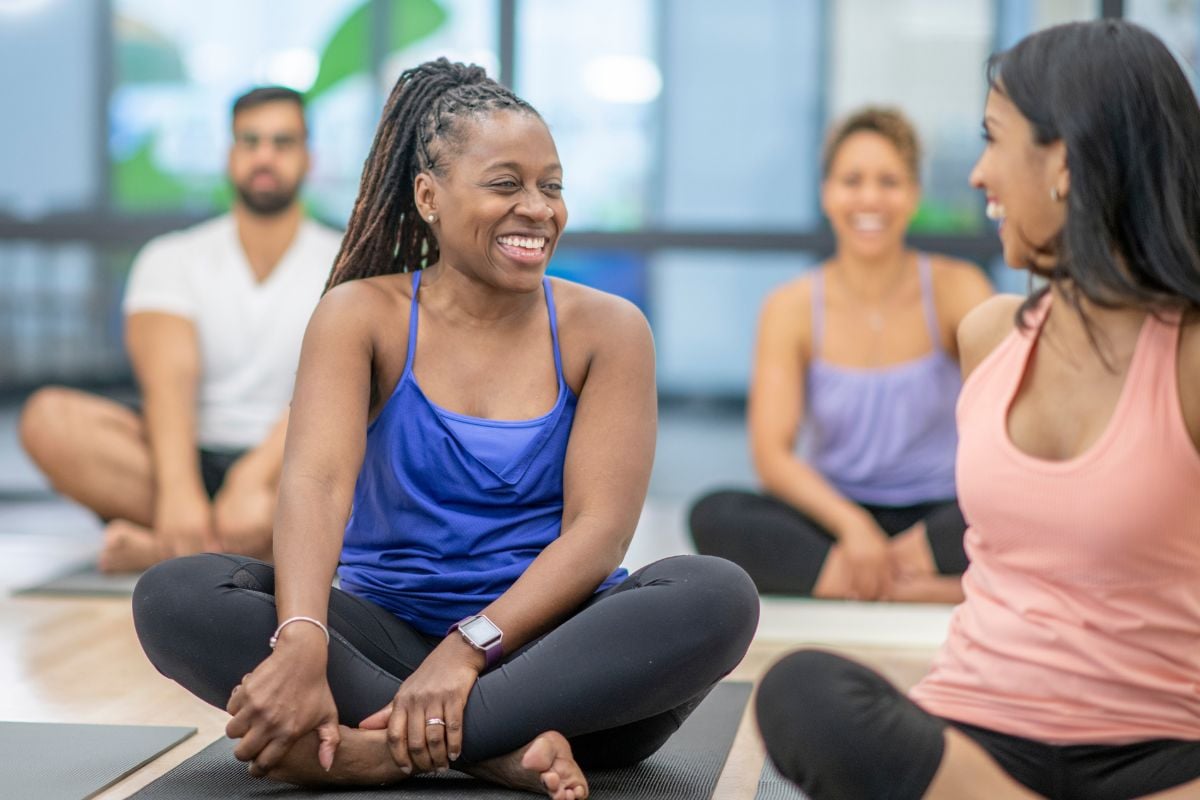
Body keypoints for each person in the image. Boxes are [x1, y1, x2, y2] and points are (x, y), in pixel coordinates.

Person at [131, 59, 758, 800]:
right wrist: (302, 633)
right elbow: (317, 484)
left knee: (717, 593)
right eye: (506, 184)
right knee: (176, 594)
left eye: (551, 186)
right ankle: (489, 748)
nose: (539, 209)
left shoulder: (609, 330)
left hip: (553, 656)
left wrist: (469, 649)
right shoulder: (360, 316)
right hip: (380, 641)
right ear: (428, 196)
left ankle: (389, 752)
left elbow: (599, 534)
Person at [756, 20, 1200, 800]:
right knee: (801, 692)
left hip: (1160, 750)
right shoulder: (992, 333)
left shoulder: (1189, 355)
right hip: (979, 738)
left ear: (1062, 161)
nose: (978, 175)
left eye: (994, 140)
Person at [17, 86, 342, 573]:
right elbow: (167, 384)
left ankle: (163, 552)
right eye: (250, 141)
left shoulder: (344, 261)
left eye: (282, 142)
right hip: (187, 454)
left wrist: (254, 477)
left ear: (308, 158)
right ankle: (236, 547)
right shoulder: (172, 256)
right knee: (47, 420)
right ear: (229, 154)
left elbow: (335, 391)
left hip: (292, 465)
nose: (264, 156)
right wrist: (178, 491)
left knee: (373, 479)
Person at [689, 107, 992, 603]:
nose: (870, 197)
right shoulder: (790, 307)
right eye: (852, 180)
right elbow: (772, 454)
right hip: (835, 515)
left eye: (889, 181)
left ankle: (872, 581)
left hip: (939, 517)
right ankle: (915, 588)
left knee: (1014, 504)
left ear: (913, 194)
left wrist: (920, 543)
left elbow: (1005, 429)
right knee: (714, 515)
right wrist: (853, 527)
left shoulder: (958, 288)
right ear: (827, 193)